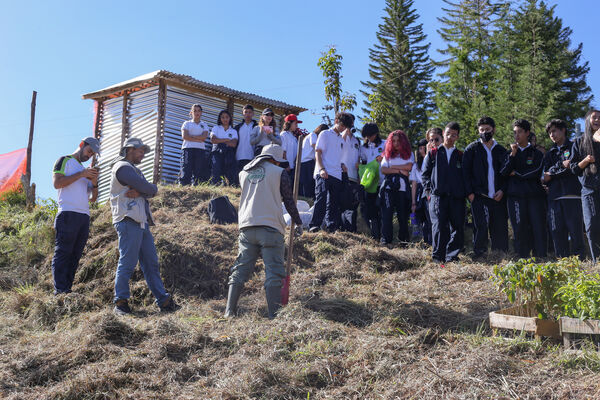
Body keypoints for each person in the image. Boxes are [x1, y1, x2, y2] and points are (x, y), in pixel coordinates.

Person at [224, 144, 303, 319]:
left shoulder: (244, 173)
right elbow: (289, 201)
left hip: (247, 226)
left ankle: (229, 311)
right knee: (274, 271)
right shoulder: (279, 173)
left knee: (240, 268)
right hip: (270, 228)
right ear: (275, 159)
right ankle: (273, 315)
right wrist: (298, 222)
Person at [110, 138, 177, 315]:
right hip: (127, 219)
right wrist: (146, 189)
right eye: (140, 151)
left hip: (141, 221)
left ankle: (164, 301)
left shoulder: (135, 170)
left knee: (151, 263)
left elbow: (151, 189)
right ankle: (121, 303)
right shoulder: (122, 167)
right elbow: (148, 188)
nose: (143, 155)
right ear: (129, 149)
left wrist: (142, 191)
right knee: (128, 262)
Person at [51, 137, 100, 294]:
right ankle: (59, 290)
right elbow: (57, 183)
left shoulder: (85, 171)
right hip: (67, 213)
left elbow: (93, 199)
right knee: (63, 252)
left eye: (92, 154)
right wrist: (81, 174)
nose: (89, 155)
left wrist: (94, 182)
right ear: (81, 145)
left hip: (84, 216)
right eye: (89, 151)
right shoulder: (64, 160)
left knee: (75, 255)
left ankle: (67, 289)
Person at [462, 116, 509, 259]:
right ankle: (480, 255)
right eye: (481, 130)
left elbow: (507, 174)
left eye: (487, 129)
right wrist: (470, 194)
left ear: (493, 130)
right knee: (481, 227)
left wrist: (503, 190)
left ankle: (500, 256)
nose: (484, 132)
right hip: (479, 196)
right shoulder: (472, 149)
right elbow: (465, 172)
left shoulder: (501, 150)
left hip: (498, 196)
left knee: (499, 228)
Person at [500, 118, 547, 258]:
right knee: (519, 228)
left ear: (527, 133)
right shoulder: (509, 153)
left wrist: (517, 174)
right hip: (515, 196)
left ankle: (540, 257)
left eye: (520, 132)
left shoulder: (536, 153)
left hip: (534, 196)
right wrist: (512, 156)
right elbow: (504, 172)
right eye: (515, 132)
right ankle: (522, 258)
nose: (517, 135)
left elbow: (536, 171)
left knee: (537, 227)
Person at [422, 122, 466, 262]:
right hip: (438, 196)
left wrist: (463, 192)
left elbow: (466, 176)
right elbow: (425, 174)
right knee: (439, 227)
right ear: (443, 134)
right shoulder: (434, 154)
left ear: (457, 137)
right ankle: (438, 258)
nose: (450, 137)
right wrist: (429, 190)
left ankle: (451, 256)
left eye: (453, 135)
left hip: (456, 197)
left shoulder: (460, 155)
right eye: (447, 134)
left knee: (457, 227)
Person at [542, 119, 585, 259]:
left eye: (554, 131)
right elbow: (545, 176)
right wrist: (561, 165)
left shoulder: (574, 146)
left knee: (576, 233)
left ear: (563, 130)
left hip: (572, 196)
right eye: (549, 133)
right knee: (557, 233)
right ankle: (563, 265)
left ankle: (580, 263)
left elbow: (573, 168)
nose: (552, 135)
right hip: (554, 198)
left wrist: (553, 173)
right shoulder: (550, 153)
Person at [308, 112, 354, 233]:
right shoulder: (324, 134)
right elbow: (318, 152)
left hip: (337, 173)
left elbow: (338, 156)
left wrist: (342, 165)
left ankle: (331, 226)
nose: (343, 128)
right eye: (342, 125)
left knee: (333, 202)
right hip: (323, 171)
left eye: (346, 126)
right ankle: (315, 225)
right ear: (336, 121)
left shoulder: (341, 140)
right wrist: (322, 169)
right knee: (321, 198)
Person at [570, 109, 600, 262]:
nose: (597, 120)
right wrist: (586, 161)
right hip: (589, 190)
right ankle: (597, 261)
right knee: (592, 225)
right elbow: (574, 168)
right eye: (594, 117)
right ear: (587, 120)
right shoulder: (579, 142)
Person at [379, 130, 414, 245]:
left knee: (403, 215)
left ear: (403, 141)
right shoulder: (387, 154)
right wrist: (399, 170)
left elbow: (409, 167)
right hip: (389, 187)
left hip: (403, 188)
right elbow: (384, 170)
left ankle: (403, 241)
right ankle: (385, 240)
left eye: (398, 140)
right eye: (393, 141)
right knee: (387, 213)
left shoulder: (409, 154)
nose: (396, 143)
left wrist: (393, 168)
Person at [359, 122, 386, 241]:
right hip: (370, 184)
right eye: (366, 136)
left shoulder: (385, 144)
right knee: (371, 210)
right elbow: (364, 163)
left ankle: (384, 235)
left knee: (383, 209)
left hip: (383, 181)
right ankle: (375, 236)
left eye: (370, 135)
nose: (368, 138)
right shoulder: (363, 148)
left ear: (376, 133)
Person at [179, 104, 211, 185]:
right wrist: (198, 138)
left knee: (198, 170)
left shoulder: (204, 125)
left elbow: (204, 138)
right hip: (188, 149)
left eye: (199, 111)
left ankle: (196, 189)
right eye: (195, 111)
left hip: (200, 150)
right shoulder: (186, 123)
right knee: (186, 169)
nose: (197, 112)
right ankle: (184, 187)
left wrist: (191, 136)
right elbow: (185, 136)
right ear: (191, 112)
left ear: (201, 112)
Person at [339, 115, 361, 232]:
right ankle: (343, 227)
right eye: (349, 123)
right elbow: (339, 143)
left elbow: (358, 159)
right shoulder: (342, 137)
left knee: (353, 205)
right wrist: (346, 132)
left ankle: (352, 228)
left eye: (352, 123)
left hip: (354, 177)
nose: (351, 125)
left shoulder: (356, 140)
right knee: (343, 203)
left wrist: (358, 176)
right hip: (343, 174)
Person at [410, 138, 432, 245]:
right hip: (419, 191)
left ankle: (431, 241)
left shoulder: (433, 160)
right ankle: (422, 240)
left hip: (430, 189)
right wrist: (413, 201)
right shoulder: (416, 165)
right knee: (419, 217)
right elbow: (414, 183)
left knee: (430, 217)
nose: (422, 150)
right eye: (420, 148)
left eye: (424, 147)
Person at [210, 110, 238, 186]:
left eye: (227, 117)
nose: (225, 119)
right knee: (216, 170)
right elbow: (213, 140)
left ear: (230, 118)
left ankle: (229, 187)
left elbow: (233, 144)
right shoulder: (216, 128)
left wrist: (220, 140)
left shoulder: (233, 131)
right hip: (217, 151)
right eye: (223, 117)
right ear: (220, 119)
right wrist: (226, 140)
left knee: (229, 171)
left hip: (229, 153)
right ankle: (215, 186)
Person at [299, 124, 327, 199]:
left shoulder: (310, 135)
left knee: (306, 182)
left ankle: (307, 197)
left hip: (304, 161)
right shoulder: (313, 135)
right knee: (308, 182)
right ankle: (308, 197)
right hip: (307, 160)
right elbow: (315, 147)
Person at [234, 104, 258, 180]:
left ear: (253, 114)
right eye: (246, 112)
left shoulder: (256, 127)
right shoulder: (238, 127)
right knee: (239, 178)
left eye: (250, 112)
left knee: (249, 179)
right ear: (243, 113)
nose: (248, 114)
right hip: (239, 156)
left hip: (252, 157)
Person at [280, 114, 301, 184]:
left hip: (293, 168)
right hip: (285, 167)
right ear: (289, 123)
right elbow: (283, 151)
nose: (297, 126)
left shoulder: (294, 138)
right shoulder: (283, 134)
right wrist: (286, 165)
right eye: (295, 123)